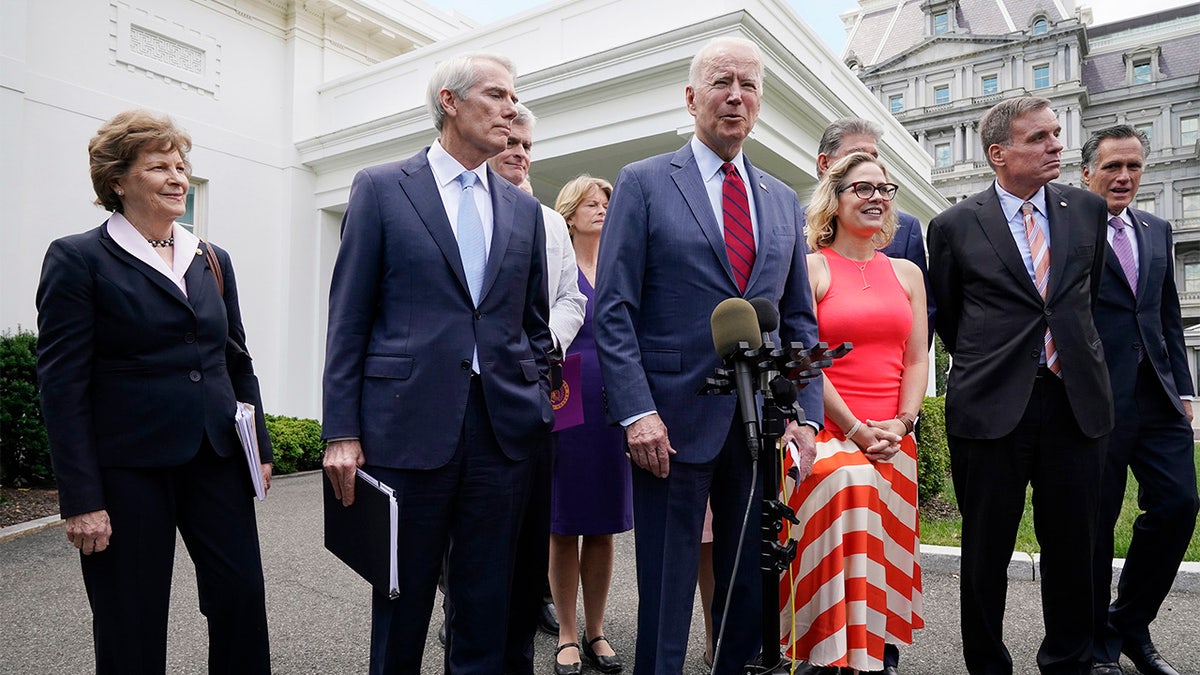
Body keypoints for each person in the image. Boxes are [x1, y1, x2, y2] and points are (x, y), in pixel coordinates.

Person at [321, 52, 554, 674]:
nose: (511, 109)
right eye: (497, 96)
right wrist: (341, 431)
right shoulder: (381, 188)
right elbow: (348, 317)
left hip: (501, 433)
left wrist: (536, 405)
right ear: (449, 102)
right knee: (402, 599)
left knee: (486, 604)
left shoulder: (524, 211)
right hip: (405, 428)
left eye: (515, 98)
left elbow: (532, 326)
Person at [595, 36, 822, 675]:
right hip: (668, 423)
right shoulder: (643, 183)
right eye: (722, 82)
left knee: (748, 589)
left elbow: (798, 315)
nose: (736, 96)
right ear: (692, 97)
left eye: (748, 86)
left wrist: (804, 412)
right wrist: (637, 412)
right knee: (667, 592)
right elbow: (614, 309)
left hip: (758, 431)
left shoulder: (781, 199)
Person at [35, 109, 273, 674]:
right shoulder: (78, 259)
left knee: (241, 598)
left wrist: (258, 445)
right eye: (159, 166)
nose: (177, 177)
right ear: (118, 180)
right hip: (127, 469)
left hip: (215, 456)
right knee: (130, 616)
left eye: (182, 165)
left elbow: (235, 359)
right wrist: (82, 498)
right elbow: (62, 385)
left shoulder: (212, 259)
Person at [927, 96, 1114, 675]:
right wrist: (1000, 361)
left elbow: (1084, 297)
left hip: (1074, 403)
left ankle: (1068, 661)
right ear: (998, 153)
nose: (1056, 145)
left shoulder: (1087, 210)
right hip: (989, 408)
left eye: (1056, 134)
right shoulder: (954, 225)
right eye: (1039, 138)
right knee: (985, 553)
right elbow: (951, 318)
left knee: (1075, 550)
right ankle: (987, 665)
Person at [779, 152, 926, 675]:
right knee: (850, 483)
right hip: (827, 430)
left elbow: (915, 357)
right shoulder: (813, 267)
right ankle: (826, 650)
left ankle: (874, 647)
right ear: (835, 200)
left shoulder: (907, 272)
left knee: (879, 476)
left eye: (884, 189)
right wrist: (858, 430)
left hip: (892, 431)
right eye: (863, 189)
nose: (877, 198)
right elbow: (805, 361)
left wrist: (903, 423)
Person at [1081, 125, 1199, 675]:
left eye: (1133, 166)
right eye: (1112, 167)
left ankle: (1128, 621)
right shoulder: (1070, 229)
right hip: (1097, 399)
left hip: (1158, 395)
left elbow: (1165, 312)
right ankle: (1097, 644)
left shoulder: (1156, 228)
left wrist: (1184, 389)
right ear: (1088, 173)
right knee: (1095, 522)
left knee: (1179, 504)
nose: (1124, 177)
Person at [485, 103, 588, 675]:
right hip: (477, 388)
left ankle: (532, 606)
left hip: (538, 381)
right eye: (510, 146)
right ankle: (464, 617)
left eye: (527, 148)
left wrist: (538, 345)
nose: (520, 156)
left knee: (533, 509)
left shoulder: (549, 222)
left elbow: (572, 296)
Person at [549, 175, 632, 675]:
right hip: (565, 401)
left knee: (603, 525)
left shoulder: (622, 267)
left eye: (605, 202)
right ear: (569, 212)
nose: (601, 209)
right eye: (590, 202)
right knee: (563, 525)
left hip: (615, 404)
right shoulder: (557, 266)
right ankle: (564, 632)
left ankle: (596, 629)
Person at [811, 117, 934, 345]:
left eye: (873, 157)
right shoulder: (792, 224)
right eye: (856, 154)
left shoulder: (906, 229)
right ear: (825, 164)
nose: (867, 163)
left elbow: (923, 318)